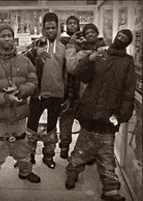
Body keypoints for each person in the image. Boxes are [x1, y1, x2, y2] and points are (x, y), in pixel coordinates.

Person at [65, 28, 136, 201]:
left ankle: (111, 190)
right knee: (81, 150)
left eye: (124, 38)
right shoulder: (100, 55)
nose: (120, 39)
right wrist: (88, 60)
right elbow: (83, 76)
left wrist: (122, 116)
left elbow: (128, 91)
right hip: (90, 113)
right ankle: (72, 174)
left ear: (128, 43)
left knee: (107, 156)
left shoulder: (127, 62)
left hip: (108, 117)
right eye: (119, 35)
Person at [0, 24, 41, 196]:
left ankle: (26, 171)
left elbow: (33, 81)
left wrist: (20, 91)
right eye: (3, 36)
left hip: (19, 113)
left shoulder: (24, 60)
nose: (7, 38)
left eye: (9, 35)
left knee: (22, 145)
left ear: (14, 38)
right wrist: (5, 98)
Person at [23, 12, 67, 169]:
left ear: (58, 28)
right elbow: (20, 60)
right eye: (47, 27)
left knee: (51, 128)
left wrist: (67, 95)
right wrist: (33, 52)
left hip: (56, 95)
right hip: (38, 95)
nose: (50, 31)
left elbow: (68, 73)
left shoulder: (64, 47)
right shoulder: (36, 45)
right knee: (31, 127)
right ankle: (30, 156)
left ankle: (49, 156)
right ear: (43, 28)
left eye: (53, 27)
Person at [59, 15, 82, 159]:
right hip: (67, 86)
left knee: (84, 121)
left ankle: (82, 150)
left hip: (82, 86)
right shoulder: (62, 42)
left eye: (75, 23)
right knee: (66, 119)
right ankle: (64, 146)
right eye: (70, 23)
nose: (72, 26)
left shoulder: (85, 41)